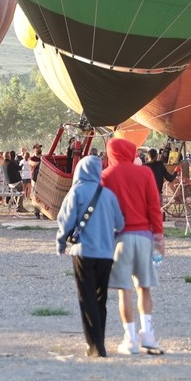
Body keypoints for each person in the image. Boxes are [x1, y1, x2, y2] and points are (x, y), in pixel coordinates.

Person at [55, 155, 124, 358]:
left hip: (83, 252)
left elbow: (65, 221)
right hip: (106, 254)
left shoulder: (76, 192)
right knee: (100, 299)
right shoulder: (108, 195)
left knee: (87, 299)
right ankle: (100, 341)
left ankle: (94, 345)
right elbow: (120, 223)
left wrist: (60, 243)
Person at [103, 138, 166, 356]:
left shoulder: (106, 176)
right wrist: (159, 236)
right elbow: (154, 206)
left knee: (124, 291)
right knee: (144, 287)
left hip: (119, 238)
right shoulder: (145, 173)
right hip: (144, 236)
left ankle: (130, 339)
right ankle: (148, 333)